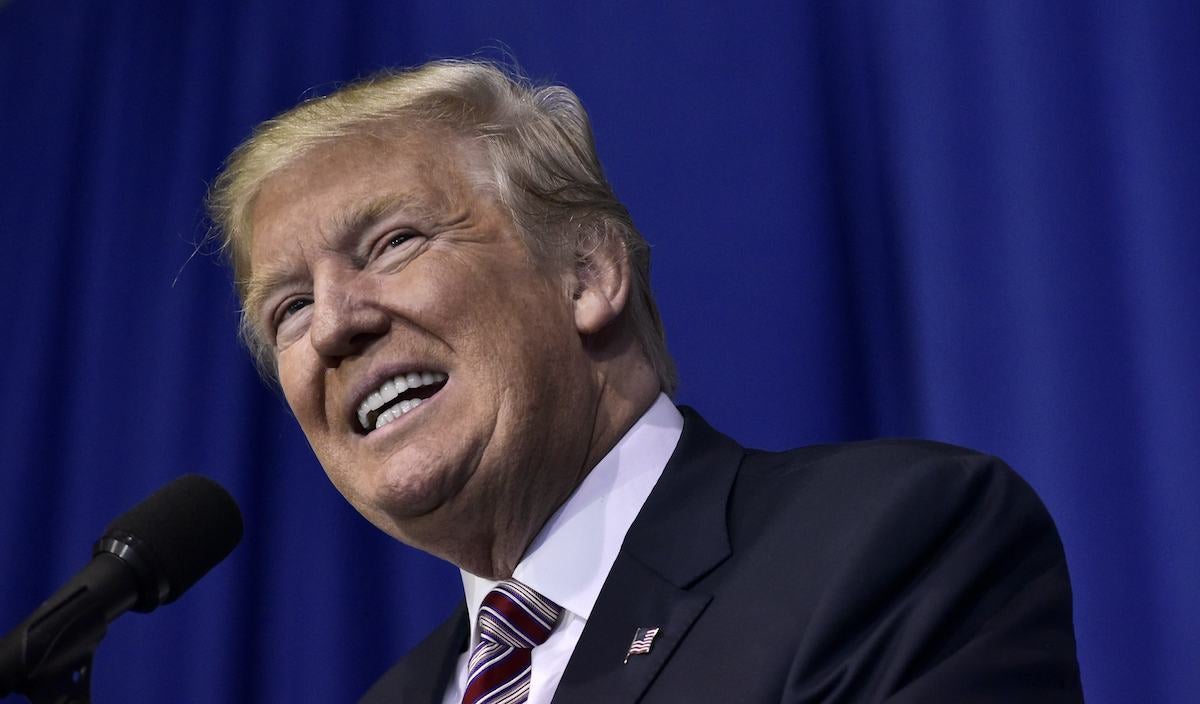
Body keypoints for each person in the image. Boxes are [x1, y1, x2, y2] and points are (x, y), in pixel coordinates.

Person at [208, 60, 1083, 703]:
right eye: (287, 309)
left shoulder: (890, 546)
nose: (331, 326)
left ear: (586, 274)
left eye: (393, 244)